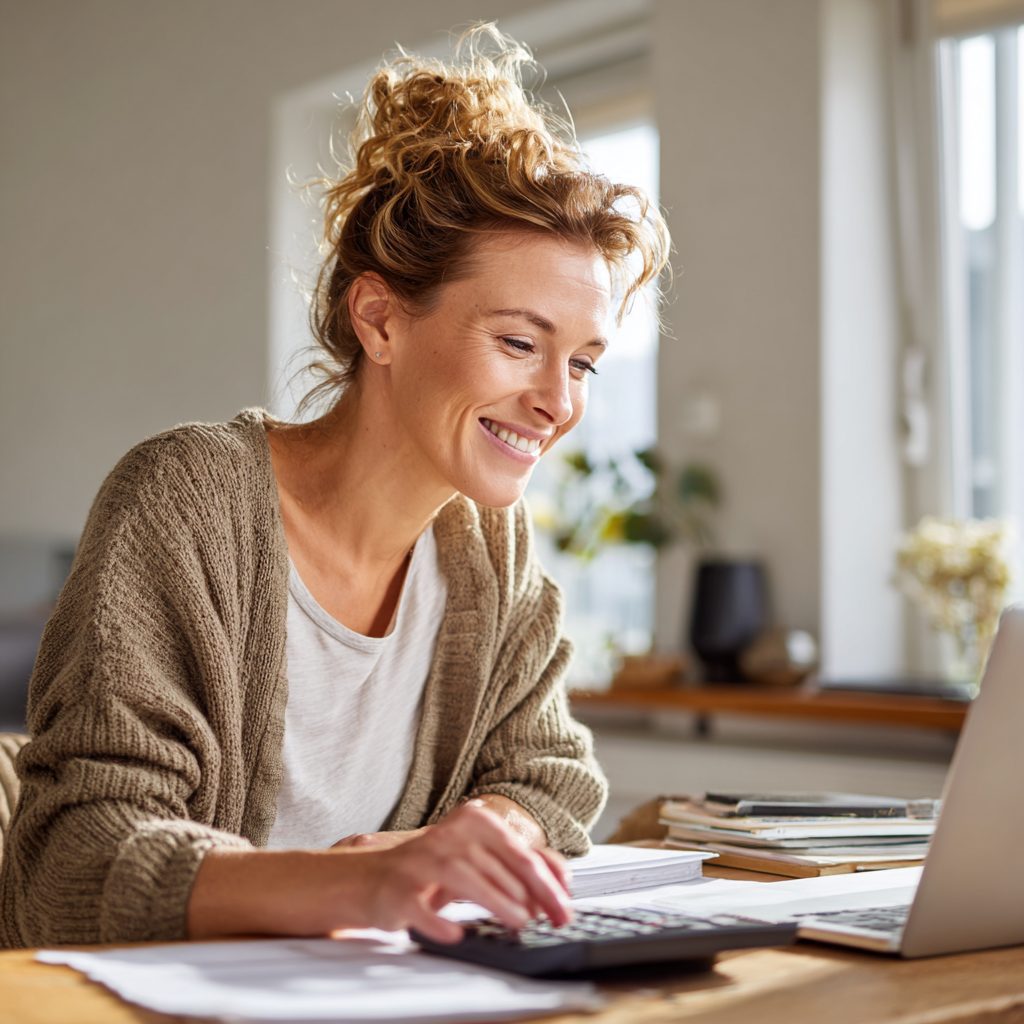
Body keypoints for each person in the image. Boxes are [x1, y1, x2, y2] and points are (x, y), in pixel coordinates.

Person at [0, 25, 669, 948]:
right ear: (381, 319)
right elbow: (71, 859)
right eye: (520, 343)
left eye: (585, 363)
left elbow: (547, 778)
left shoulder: (488, 551)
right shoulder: (187, 501)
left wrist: (465, 844)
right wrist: (366, 881)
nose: (558, 402)